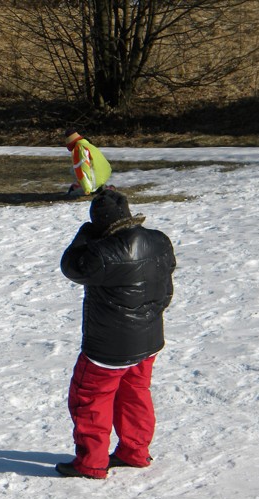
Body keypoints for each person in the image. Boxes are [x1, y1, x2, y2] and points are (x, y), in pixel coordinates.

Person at [55, 189, 176, 479]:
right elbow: (165, 283)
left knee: (89, 398)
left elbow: (71, 265)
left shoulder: (101, 253)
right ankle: (134, 452)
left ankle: (91, 463)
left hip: (109, 349)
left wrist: (85, 235)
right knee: (134, 393)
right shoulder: (159, 240)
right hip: (149, 339)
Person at [64, 129, 112, 196]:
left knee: (73, 192)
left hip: (94, 179)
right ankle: (101, 187)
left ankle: (92, 188)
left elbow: (83, 168)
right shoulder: (88, 145)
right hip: (104, 175)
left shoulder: (79, 148)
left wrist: (87, 188)